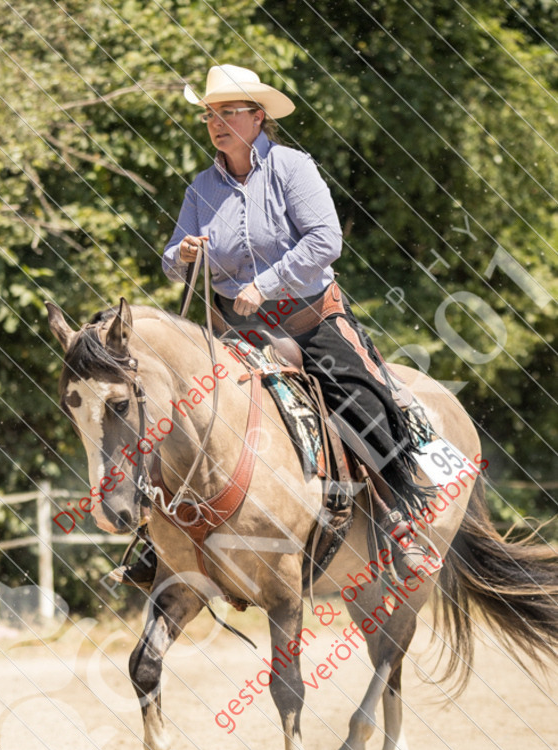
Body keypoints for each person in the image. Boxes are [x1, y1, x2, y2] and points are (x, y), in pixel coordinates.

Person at [159, 65, 436, 582]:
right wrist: (185, 252)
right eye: (209, 114)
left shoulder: (291, 167)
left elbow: (325, 241)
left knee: (360, 396)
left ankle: (401, 518)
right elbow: (171, 261)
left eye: (228, 112)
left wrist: (266, 284)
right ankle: (160, 538)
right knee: (171, 410)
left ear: (257, 117)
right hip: (234, 329)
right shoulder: (200, 189)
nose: (216, 123)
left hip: (306, 319)